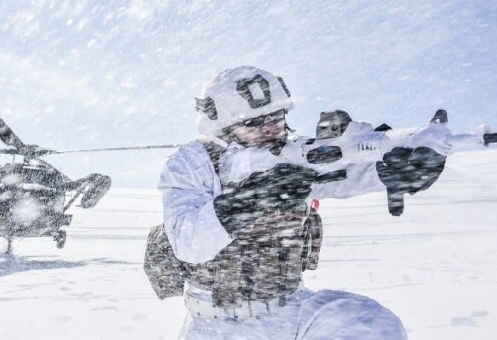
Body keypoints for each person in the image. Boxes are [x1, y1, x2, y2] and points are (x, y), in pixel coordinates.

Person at [146, 66, 448, 339]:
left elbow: (344, 173)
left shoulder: (292, 154)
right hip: (217, 323)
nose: (271, 128)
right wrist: (256, 197)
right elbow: (189, 242)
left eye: (276, 117)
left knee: (371, 325)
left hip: (291, 306)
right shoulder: (192, 162)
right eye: (253, 123)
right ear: (222, 129)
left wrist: (392, 169)